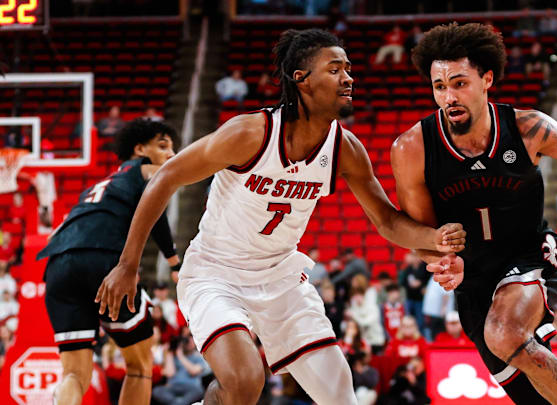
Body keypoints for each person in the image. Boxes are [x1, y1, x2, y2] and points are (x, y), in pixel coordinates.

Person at [96, 29, 466, 405]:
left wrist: (432, 239)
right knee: (244, 381)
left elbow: (386, 221)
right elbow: (167, 175)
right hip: (217, 273)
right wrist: (129, 264)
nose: (348, 77)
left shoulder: (345, 148)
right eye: (335, 69)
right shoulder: (249, 133)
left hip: (282, 278)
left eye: (349, 69)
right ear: (301, 79)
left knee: (341, 395)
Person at [392, 22, 557, 404]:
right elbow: (420, 229)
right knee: (532, 395)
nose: (449, 96)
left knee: (504, 332)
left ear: (487, 78)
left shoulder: (529, 127)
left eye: (459, 83)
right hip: (473, 279)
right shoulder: (413, 148)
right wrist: (440, 259)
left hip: (529, 252)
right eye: (440, 87)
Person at [39, 119, 180, 405]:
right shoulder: (147, 170)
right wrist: (174, 261)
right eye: (163, 146)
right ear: (139, 149)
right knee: (140, 367)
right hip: (102, 260)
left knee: (74, 374)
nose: (171, 155)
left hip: (57, 266)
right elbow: (155, 207)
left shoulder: (100, 185)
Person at [152, 336, 209, 405]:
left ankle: (178, 403)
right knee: (157, 391)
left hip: (191, 387)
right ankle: (178, 402)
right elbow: (170, 373)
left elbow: (194, 371)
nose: (189, 343)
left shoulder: (198, 358)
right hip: (173, 387)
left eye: (192, 341)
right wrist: (169, 353)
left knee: (199, 391)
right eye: (187, 341)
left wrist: (181, 356)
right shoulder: (172, 357)